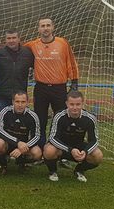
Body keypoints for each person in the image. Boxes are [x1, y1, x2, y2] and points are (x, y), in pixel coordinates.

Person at [23, 18, 79, 148]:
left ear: (53, 27)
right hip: (41, 88)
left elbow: (71, 62)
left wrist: (74, 82)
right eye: (42, 26)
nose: (45, 28)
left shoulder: (62, 43)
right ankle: (39, 148)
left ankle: (60, 148)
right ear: (38, 29)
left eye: (48, 25)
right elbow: (18, 50)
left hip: (59, 88)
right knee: (40, 120)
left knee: (60, 119)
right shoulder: (33, 45)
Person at [43, 90, 102, 182]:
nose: (75, 107)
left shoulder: (90, 118)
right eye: (72, 104)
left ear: (83, 104)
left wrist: (85, 152)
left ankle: (79, 170)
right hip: (61, 148)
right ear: (67, 103)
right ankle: (52, 171)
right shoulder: (59, 116)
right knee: (49, 150)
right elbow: (52, 138)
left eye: (78, 104)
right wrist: (70, 150)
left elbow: (94, 141)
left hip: (79, 148)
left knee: (98, 155)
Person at [0, 90, 42, 175]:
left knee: (37, 153)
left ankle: (21, 162)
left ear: (27, 102)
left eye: (23, 102)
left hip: (23, 146)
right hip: (8, 143)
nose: (20, 105)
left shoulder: (33, 116)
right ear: (13, 102)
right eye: (17, 101)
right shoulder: (4, 112)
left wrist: (23, 147)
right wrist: (17, 142)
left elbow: (37, 136)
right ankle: (3, 165)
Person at [0, 29, 34, 115]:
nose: (11, 40)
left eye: (14, 38)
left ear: (19, 39)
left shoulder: (27, 53)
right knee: (1, 119)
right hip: (2, 95)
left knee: (19, 120)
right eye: (9, 38)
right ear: (5, 40)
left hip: (20, 96)